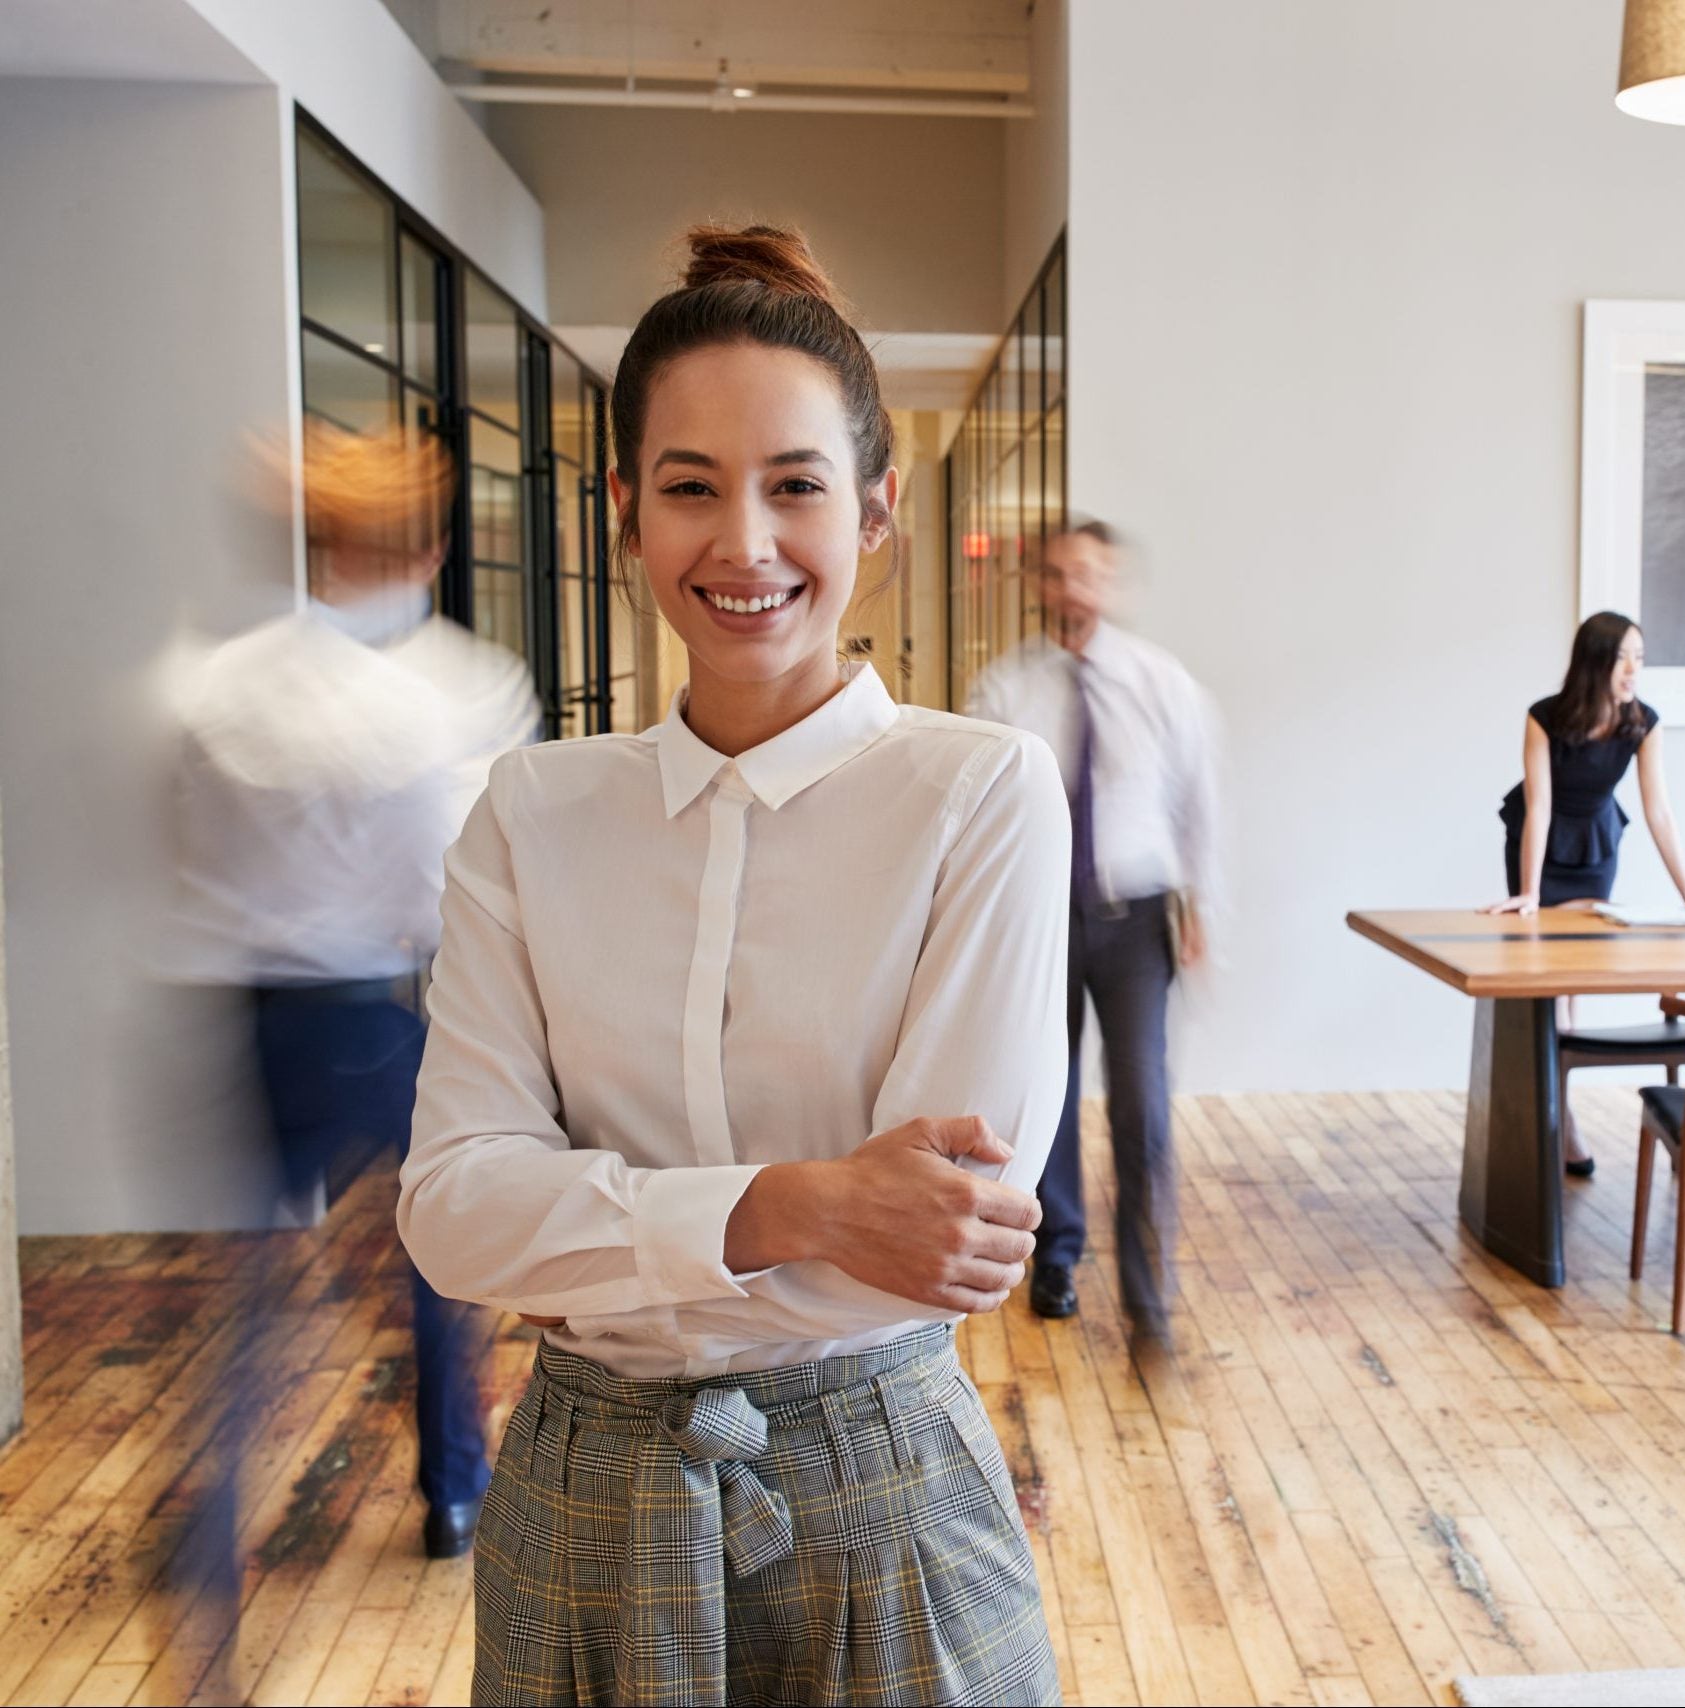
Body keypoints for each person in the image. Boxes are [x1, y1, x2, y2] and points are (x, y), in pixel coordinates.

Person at [398, 226, 1066, 1705]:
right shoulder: (532, 811)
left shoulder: (980, 792)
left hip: (884, 1488)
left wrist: (601, 1230)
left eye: (796, 487)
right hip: (582, 1497)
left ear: (877, 510)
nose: (743, 545)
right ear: (627, 514)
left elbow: (949, 1224)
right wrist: (804, 1203)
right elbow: (452, 1211)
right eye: (690, 488)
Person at [168, 423, 537, 1562]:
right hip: (376, 1012)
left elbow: (185, 852)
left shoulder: (214, 682)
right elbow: (448, 891)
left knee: (249, 1296)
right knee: (437, 1262)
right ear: (428, 552)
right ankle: (455, 1493)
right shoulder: (451, 698)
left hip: (249, 1017)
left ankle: (214, 1514)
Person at [964, 521, 1221, 1348]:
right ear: (1040, 584)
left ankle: (1150, 1292)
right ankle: (1058, 1258)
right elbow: (978, 810)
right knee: (1052, 1094)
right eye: (1060, 573)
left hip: (1137, 918)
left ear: (1111, 586)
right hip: (1041, 920)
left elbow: (1197, 800)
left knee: (1143, 1104)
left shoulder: (1159, 682)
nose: (1075, 588)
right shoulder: (1005, 690)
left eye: (1090, 574)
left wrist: (1202, 906)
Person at [1486, 611, 1685, 1174]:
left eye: (1640, 658)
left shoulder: (1644, 722)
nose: (1633, 670)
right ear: (1594, 661)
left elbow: (1658, 811)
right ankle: (1559, 1118)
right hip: (1540, 846)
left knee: (1572, 981)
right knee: (1546, 986)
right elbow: (1541, 805)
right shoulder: (1545, 717)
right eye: (1623, 657)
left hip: (1596, 846)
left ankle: (1557, 1110)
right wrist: (1529, 893)